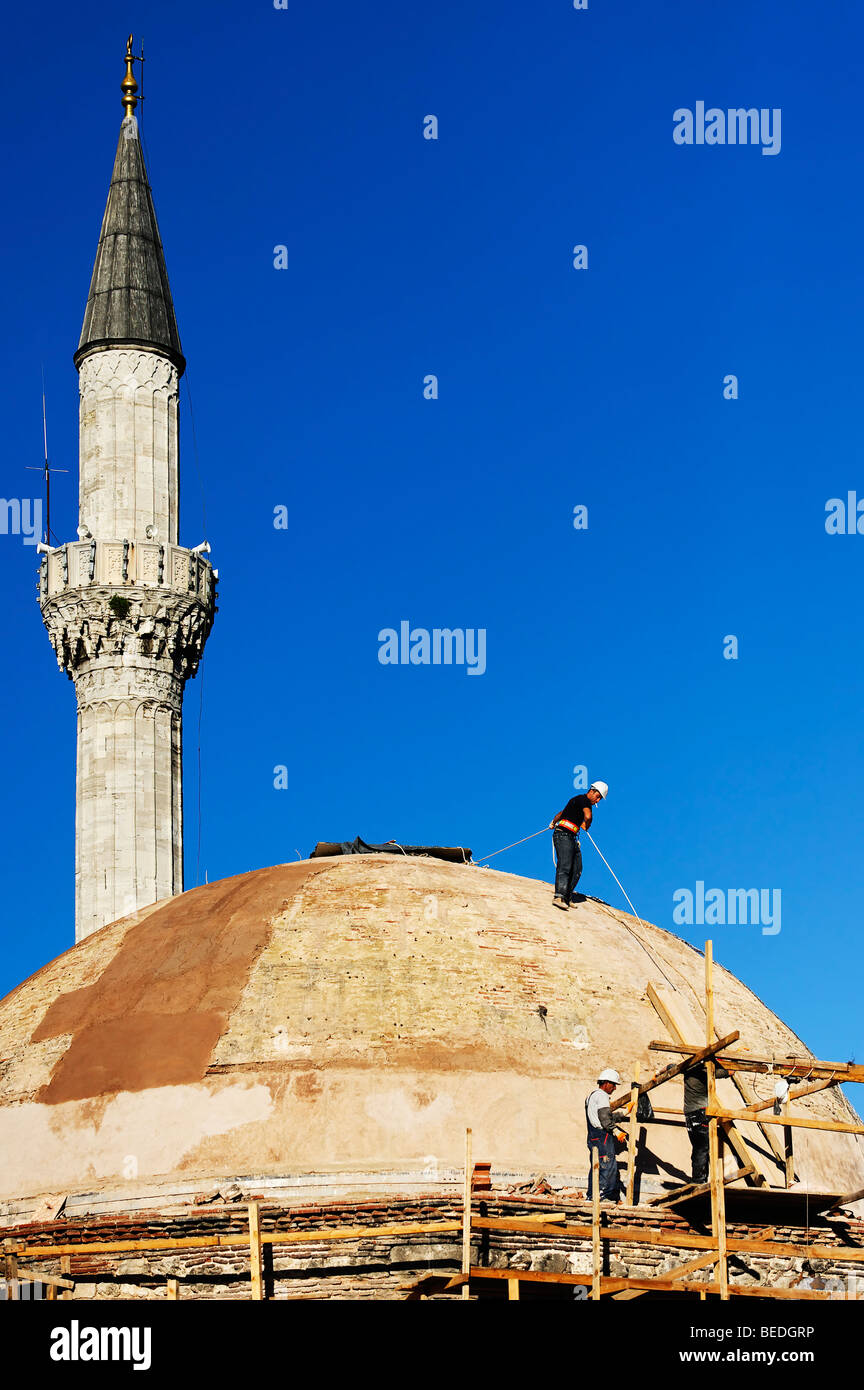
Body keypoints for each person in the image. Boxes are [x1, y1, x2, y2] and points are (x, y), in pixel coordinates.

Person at [550, 781, 608, 910]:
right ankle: (559, 896)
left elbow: (561, 814)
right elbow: (588, 816)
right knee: (565, 864)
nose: (597, 801)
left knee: (577, 868)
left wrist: (553, 822)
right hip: (563, 835)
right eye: (598, 797)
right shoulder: (583, 800)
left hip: (570, 836)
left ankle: (567, 896)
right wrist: (586, 825)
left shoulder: (577, 801)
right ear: (592, 791)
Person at [585, 1067, 627, 1203]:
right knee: (607, 1166)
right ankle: (603, 1196)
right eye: (614, 1085)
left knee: (596, 1166)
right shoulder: (602, 1095)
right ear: (606, 1083)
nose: (614, 1088)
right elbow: (604, 1119)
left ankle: (592, 1195)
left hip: (593, 1136)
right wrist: (616, 1131)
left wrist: (623, 1114)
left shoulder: (591, 1095)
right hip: (602, 1136)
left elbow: (604, 1117)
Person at [683, 1062, 730, 1183]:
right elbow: (731, 1071)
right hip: (702, 1113)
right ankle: (699, 1180)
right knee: (703, 1147)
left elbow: (669, 1067)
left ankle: (698, 1178)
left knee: (698, 1147)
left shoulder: (686, 1069)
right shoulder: (706, 1072)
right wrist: (719, 1063)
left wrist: (657, 1073)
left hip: (689, 1114)